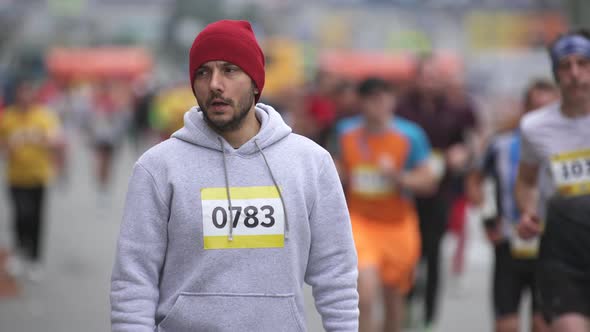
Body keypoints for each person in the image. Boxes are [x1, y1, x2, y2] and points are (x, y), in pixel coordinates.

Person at [110, 20, 359, 332]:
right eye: (203, 72)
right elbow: (134, 280)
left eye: (229, 70)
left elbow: (336, 273)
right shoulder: (158, 167)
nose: (215, 83)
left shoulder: (310, 163)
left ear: (255, 82)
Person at [335, 78, 436, 332]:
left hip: (398, 226)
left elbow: (428, 181)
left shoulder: (410, 135)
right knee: (365, 294)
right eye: (371, 99)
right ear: (361, 102)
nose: (378, 105)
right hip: (359, 222)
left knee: (394, 301)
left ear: (393, 100)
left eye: (384, 98)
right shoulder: (345, 132)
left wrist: (398, 177)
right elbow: (335, 169)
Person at [396, 55, 480, 330]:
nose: (429, 81)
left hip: (441, 191)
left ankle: (430, 318)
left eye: (434, 76)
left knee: (433, 254)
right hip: (407, 190)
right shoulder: (403, 108)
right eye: (424, 75)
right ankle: (406, 307)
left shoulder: (454, 108)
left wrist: (463, 153)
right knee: (408, 255)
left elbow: (470, 142)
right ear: (415, 78)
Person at [516, 29, 590, 332]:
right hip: (563, 250)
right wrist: (528, 213)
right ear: (556, 74)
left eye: (583, 63)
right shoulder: (534, 127)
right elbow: (526, 181)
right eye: (565, 65)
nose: (575, 74)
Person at [475, 79, 558, 332]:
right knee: (506, 325)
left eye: (545, 109)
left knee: (542, 323)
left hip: (551, 245)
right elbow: (476, 179)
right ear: (524, 108)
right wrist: (488, 219)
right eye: (533, 107)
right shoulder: (500, 144)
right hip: (509, 242)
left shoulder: (564, 143)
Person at [0, 79, 63, 281]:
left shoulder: (44, 117)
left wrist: (41, 139)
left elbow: (56, 141)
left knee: (36, 218)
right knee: (20, 215)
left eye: (28, 93)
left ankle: (35, 259)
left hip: (38, 176)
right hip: (16, 177)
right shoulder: (8, 118)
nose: (25, 98)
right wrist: (11, 145)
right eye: (21, 93)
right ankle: (19, 253)